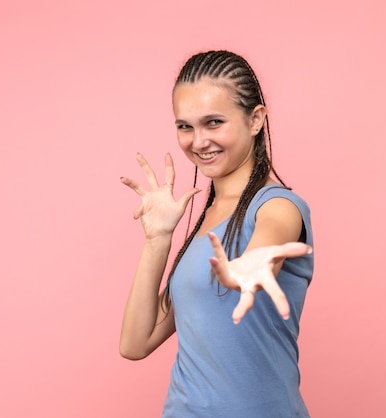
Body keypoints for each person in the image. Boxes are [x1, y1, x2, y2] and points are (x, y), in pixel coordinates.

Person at [119, 50, 314, 418]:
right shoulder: (204, 223)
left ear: (255, 119)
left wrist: (252, 267)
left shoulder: (277, 206)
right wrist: (157, 240)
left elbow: (268, 241)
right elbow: (134, 343)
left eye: (214, 123)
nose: (198, 141)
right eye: (185, 126)